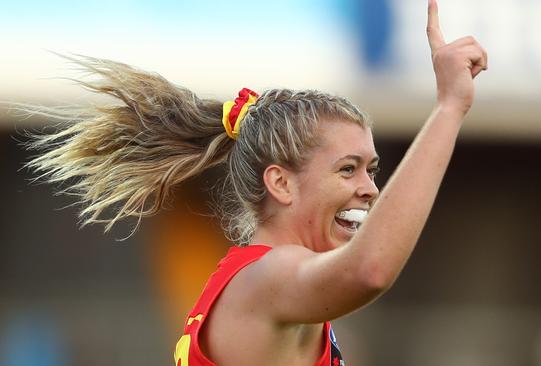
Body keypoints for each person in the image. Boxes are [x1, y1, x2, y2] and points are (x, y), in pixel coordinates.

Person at [23, 1, 487, 365]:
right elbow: (369, 270)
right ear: (281, 184)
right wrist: (448, 108)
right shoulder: (267, 277)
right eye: (347, 169)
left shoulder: (279, 282)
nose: (369, 188)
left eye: (371, 168)